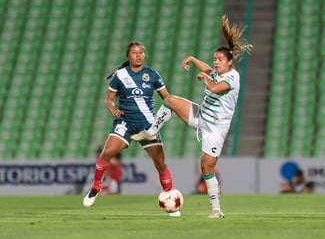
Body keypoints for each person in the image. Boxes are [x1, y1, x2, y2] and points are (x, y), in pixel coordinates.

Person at [131, 15, 253, 218]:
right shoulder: (217, 71)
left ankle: (216, 210)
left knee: (206, 167)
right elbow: (209, 71)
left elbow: (214, 87)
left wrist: (205, 77)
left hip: (216, 128)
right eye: (215, 59)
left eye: (220, 60)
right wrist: (193, 59)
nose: (216, 62)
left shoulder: (233, 77)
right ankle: (151, 132)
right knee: (169, 100)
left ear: (230, 63)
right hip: (201, 115)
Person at [83, 41, 180, 217]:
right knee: (107, 152)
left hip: (148, 125)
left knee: (160, 163)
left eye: (141, 52)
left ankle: (170, 197)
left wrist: (166, 115)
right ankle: (96, 186)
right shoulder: (120, 75)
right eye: (134, 52)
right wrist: (112, 108)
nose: (138, 55)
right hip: (125, 122)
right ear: (128, 56)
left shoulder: (152, 75)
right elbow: (109, 99)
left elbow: (167, 98)